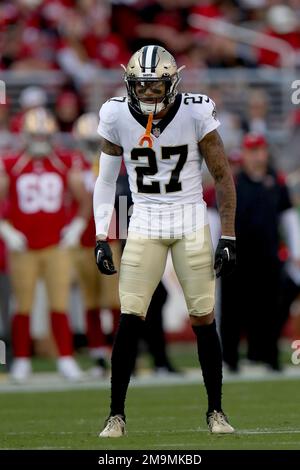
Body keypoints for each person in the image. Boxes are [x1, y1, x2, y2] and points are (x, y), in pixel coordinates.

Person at [93, 45, 237, 436]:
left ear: (173, 83)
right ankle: (115, 415)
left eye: (157, 86)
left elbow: (223, 175)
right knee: (130, 315)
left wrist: (227, 233)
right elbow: (106, 181)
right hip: (143, 223)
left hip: (189, 221)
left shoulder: (195, 111)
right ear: (129, 83)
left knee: (203, 317)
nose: (150, 94)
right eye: (142, 86)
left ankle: (216, 411)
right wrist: (101, 234)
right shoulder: (115, 113)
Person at [0, 107, 90, 382]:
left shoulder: (64, 162)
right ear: (25, 135)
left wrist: (76, 227)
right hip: (23, 247)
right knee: (23, 306)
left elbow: (84, 199)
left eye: (44, 135)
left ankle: (65, 359)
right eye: (35, 134)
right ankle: (23, 361)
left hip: (56, 246)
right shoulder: (11, 163)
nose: (40, 140)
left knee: (59, 304)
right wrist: (6, 229)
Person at [220, 133, 300, 372]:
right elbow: (220, 218)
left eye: (260, 150)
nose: (256, 156)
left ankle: (269, 356)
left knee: (270, 308)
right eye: (251, 151)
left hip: (268, 256)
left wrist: (296, 251)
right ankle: (230, 359)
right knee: (233, 308)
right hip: (237, 257)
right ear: (244, 154)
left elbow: (288, 218)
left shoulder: (276, 181)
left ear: (266, 152)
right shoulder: (233, 183)